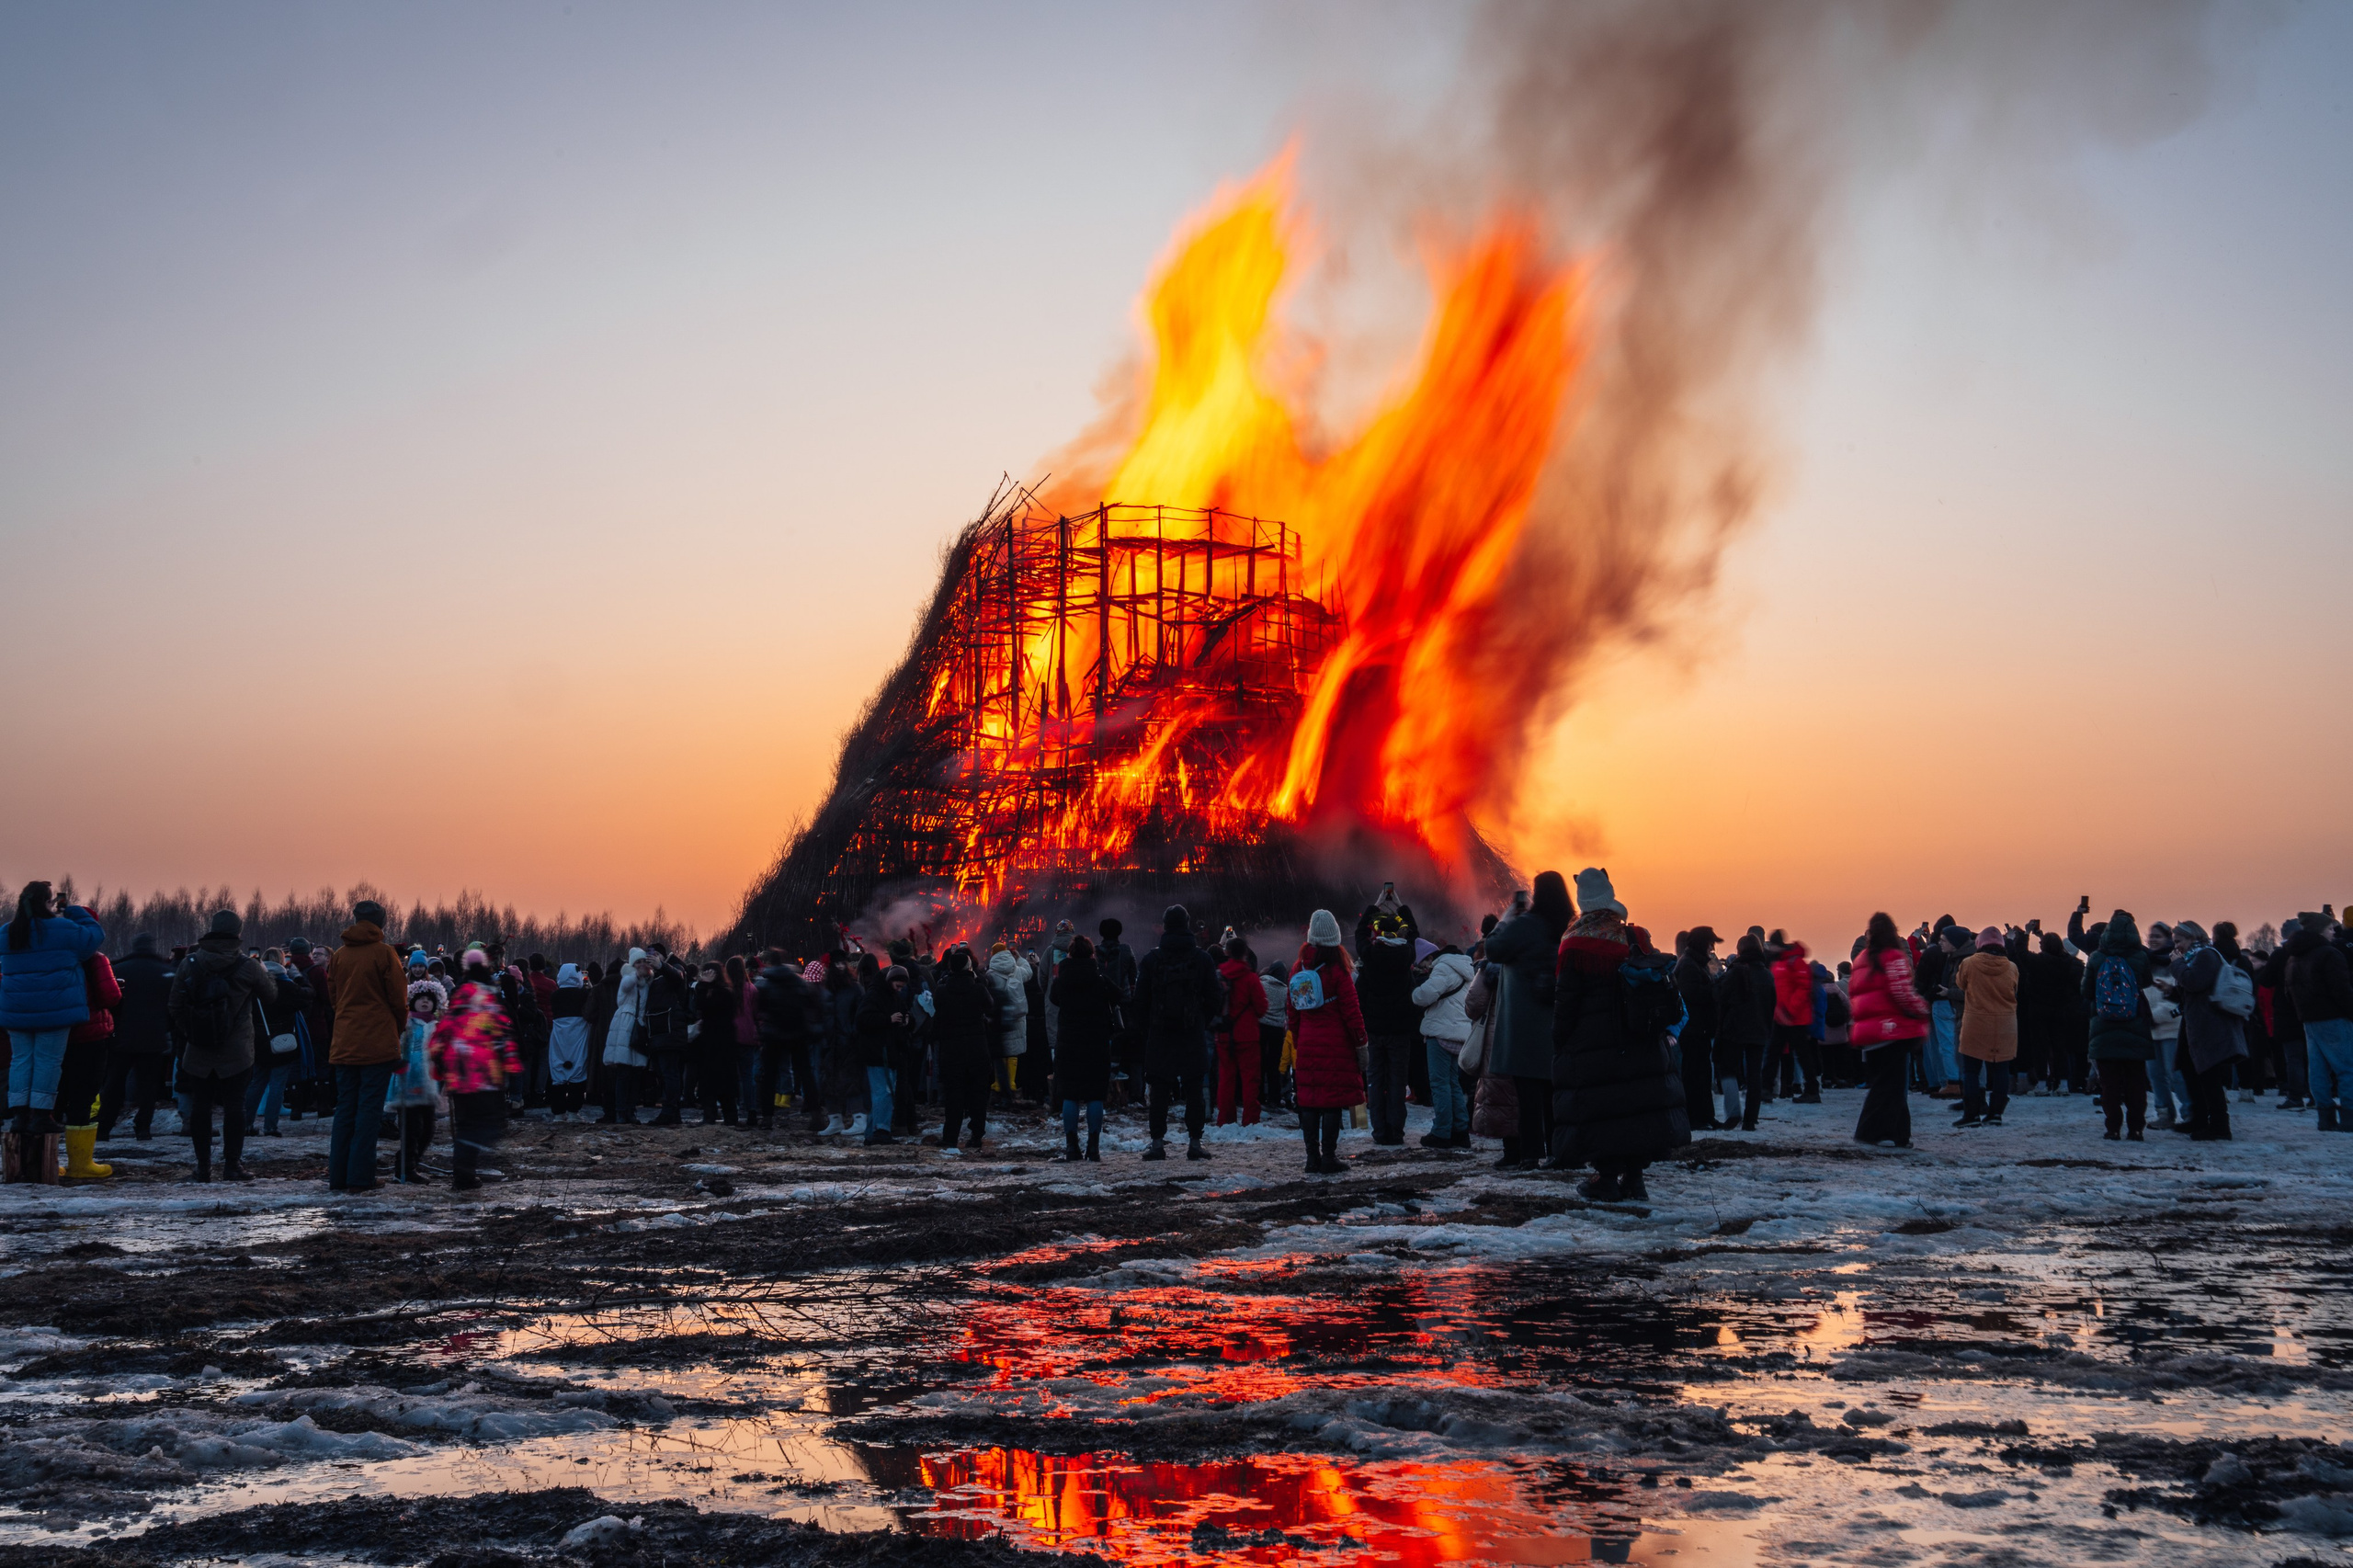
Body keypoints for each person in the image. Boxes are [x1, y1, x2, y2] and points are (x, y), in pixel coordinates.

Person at [1549, 869, 1689, 1199]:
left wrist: (1560, 1038)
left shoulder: (1575, 943)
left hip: (1593, 1044)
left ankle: (1607, 1177)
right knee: (1636, 1108)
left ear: (1582, 900)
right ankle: (1635, 1179)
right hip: (1640, 1039)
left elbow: (1566, 999)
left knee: (1604, 1110)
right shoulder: (1635, 936)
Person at [166, 909, 276, 1183]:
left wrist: (193, 1032)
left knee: (201, 1106)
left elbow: (174, 1005)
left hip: (198, 1049)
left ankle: (203, 1167)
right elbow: (271, 996)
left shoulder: (190, 963)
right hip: (237, 1050)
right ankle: (232, 1166)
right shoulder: (248, 966)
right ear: (238, 933)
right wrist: (266, 972)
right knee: (235, 1106)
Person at [2, 881, 108, 1135]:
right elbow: (95, 936)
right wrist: (70, 909)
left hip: (17, 1009)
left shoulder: (8, 932)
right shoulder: (63, 928)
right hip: (55, 1008)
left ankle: (19, 1115)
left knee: (20, 1060)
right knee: (48, 1061)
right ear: (48, 902)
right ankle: (41, 1114)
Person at [1483, 872, 1574, 1167]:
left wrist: (1506, 919)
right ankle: (1560, 1151)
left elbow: (1493, 949)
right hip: (1559, 1021)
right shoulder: (1569, 927)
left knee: (1528, 1095)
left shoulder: (1525, 926)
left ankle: (1531, 1154)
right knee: (1555, 1093)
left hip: (1523, 1025)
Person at [323, 900, 407, 1191]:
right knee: (369, 1111)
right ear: (381, 921)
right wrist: (395, 1029)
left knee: (345, 1109)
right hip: (377, 1045)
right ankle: (360, 1177)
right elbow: (398, 1000)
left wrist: (348, 1020)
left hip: (344, 1043)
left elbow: (334, 997)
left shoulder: (340, 955)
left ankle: (338, 1176)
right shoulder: (385, 954)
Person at [1130, 905, 1222, 1161]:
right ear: (1187, 924)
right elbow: (1214, 997)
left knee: (1159, 1090)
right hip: (1192, 1032)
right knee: (1194, 1089)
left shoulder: (1152, 959)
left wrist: (1149, 1026)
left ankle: (1157, 1144)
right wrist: (1200, 1020)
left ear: (1165, 926)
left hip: (1160, 1033)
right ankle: (1195, 1143)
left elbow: (1140, 1001)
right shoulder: (1202, 958)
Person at [430, 951, 521, 1191]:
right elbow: (502, 1037)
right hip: (485, 1076)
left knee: (465, 1125)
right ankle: (473, 1162)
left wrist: (440, 1061)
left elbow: (440, 1036)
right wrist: (512, 1066)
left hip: (459, 1077)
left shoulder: (457, 1003)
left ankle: (464, 1174)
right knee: (487, 1124)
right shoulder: (489, 1002)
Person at [1289, 910, 1368, 1175]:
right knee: (1332, 1102)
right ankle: (1329, 1157)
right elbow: (1352, 1012)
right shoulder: (1338, 971)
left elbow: (1292, 1011)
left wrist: (1299, 1039)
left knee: (1309, 1101)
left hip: (1307, 1044)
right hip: (1336, 1046)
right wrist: (1361, 1043)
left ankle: (1312, 1158)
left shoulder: (1298, 968)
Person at [1848, 913, 1928, 1148]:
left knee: (1888, 1086)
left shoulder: (1862, 958)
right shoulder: (1893, 956)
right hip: (1892, 1031)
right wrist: (1922, 1008)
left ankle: (1900, 1135)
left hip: (1869, 1033)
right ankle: (1870, 1133)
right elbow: (1902, 992)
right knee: (1890, 1087)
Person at [2169, 920, 2247, 1141]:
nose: (2176, 947)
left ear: (2192, 937)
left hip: (2208, 1024)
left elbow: (2194, 982)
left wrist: (2177, 965)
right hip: (2196, 1022)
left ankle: (2220, 1125)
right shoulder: (2195, 957)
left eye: (2179, 941)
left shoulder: (2205, 955)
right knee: (2189, 1069)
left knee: (2208, 1074)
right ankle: (2200, 1118)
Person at [2084, 911, 2157, 1142]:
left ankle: (2113, 1128)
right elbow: (2146, 982)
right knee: (2136, 1083)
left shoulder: (2097, 957)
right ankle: (2136, 1128)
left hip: (2103, 1026)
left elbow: (2086, 991)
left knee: (2109, 1084)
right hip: (2135, 1026)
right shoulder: (2140, 957)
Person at [1354, 903, 1422, 1146]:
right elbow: (1415, 936)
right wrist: (1404, 910)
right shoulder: (1406, 955)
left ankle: (1379, 1130)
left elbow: (1359, 936)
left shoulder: (1370, 956)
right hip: (1400, 1031)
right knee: (1397, 1080)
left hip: (1374, 1030)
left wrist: (1371, 910)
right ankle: (1396, 1131)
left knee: (1375, 1079)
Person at [55, 947, 124, 1179]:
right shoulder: (94, 959)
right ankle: (80, 1163)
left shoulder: (46, 956)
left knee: (51, 1097)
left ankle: (47, 1160)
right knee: (83, 1098)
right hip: (90, 1034)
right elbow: (110, 997)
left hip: (52, 1033)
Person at [98, 933, 174, 1142]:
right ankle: (143, 1129)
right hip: (154, 1038)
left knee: (114, 1084)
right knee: (148, 1086)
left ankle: (104, 1128)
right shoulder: (165, 972)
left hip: (122, 1038)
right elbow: (173, 1005)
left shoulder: (119, 969)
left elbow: (109, 1002)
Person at [2283, 912, 2353, 1131]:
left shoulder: (2294, 956)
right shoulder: (2329, 954)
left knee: (2318, 1070)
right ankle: (2350, 1115)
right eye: (2330, 928)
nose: (2334, 932)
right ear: (2320, 930)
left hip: (2309, 1019)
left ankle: (2325, 1116)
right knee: (2347, 1068)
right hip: (2334, 1017)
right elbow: (2341, 990)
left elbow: (2289, 991)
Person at [1049, 935, 1116, 1161]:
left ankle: (1071, 1147)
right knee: (1095, 1095)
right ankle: (1093, 1148)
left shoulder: (1061, 981)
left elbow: (1054, 999)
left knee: (1070, 1095)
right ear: (1091, 954)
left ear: (1069, 954)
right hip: (1096, 1044)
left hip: (1068, 1043)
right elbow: (1121, 996)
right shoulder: (1100, 980)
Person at [929, 947, 999, 1152]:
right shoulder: (978, 989)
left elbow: (937, 1011)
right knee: (978, 1094)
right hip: (977, 1049)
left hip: (952, 1050)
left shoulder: (942, 990)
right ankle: (976, 1136)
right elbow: (990, 1005)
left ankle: (950, 1137)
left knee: (954, 1095)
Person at [1412, 941, 1478, 1147]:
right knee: (1453, 1083)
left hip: (1440, 1032)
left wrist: (1415, 991)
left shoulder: (1443, 967)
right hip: (1460, 1033)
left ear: (1435, 957)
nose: (1427, 966)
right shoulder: (1467, 970)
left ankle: (1441, 1132)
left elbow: (1423, 996)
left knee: (1439, 1084)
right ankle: (1460, 1131)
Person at [1952, 927, 2018, 1128]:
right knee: (2001, 1069)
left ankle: (1971, 1114)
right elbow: (2015, 989)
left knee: (1971, 1070)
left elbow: (1960, 984)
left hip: (1976, 1022)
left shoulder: (1969, 963)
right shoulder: (2012, 967)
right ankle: (1996, 1113)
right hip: (2005, 1024)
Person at [244, 949, 313, 1138]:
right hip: (284, 1040)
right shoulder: (287, 985)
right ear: (283, 963)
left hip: (259, 1040)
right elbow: (307, 996)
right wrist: (298, 977)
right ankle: (270, 1126)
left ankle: (246, 1123)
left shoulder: (255, 985)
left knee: (257, 1083)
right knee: (277, 1085)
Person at [750, 949, 821, 1132]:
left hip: (773, 1035)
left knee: (769, 1077)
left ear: (770, 963)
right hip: (797, 1033)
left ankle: (767, 1118)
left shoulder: (765, 984)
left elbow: (760, 1010)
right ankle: (816, 1114)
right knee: (806, 1074)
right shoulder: (798, 982)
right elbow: (809, 1006)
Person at [1713, 935, 1776, 1131]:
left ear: (1740, 950)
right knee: (1755, 1074)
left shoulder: (1735, 972)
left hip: (1735, 1029)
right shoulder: (1767, 975)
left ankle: (1733, 1113)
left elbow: (1721, 997)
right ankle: (1750, 1119)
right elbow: (1771, 1004)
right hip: (1759, 1029)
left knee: (1728, 1069)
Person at [1214, 937, 1270, 1127]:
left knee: (1226, 1079)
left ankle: (1225, 1119)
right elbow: (1262, 1008)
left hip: (1223, 1033)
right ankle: (1250, 1119)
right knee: (1250, 1080)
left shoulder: (1220, 975)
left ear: (1227, 952)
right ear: (1245, 953)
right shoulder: (1251, 978)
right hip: (1247, 1035)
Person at [856, 960, 912, 1146]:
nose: (899, 989)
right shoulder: (874, 995)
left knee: (884, 1092)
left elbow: (903, 1012)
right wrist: (887, 1019)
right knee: (884, 1093)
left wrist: (906, 1020)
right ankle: (881, 1131)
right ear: (890, 981)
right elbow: (862, 1020)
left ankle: (873, 1132)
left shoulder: (893, 996)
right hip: (878, 1053)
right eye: (898, 986)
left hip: (889, 1052)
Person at [1672, 928, 1722, 1131]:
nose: (1712, 948)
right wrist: (1716, 989)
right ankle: (1695, 1117)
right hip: (1693, 1030)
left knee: (1703, 1073)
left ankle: (1706, 1115)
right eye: (1710, 943)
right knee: (1694, 1075)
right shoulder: (1689, 965)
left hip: (1699, 1029)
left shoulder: (1694, 963)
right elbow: (1691, 994)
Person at [392, 988, 443, 1183]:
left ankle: (411, 1162)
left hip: (429, 1084)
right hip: (408, 1082)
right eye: (420, 998)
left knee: (428, 1129)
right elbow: (398, 1045)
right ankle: (405, 1168)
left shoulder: (437, 1026)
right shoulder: (407, 1024)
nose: (424, 1002)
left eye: (428, 999)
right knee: (411, 1129)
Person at [642, 952, 692, 1126]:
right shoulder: (659, 978)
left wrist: (662, 966)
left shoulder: (675, 970)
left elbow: (677, 976)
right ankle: (673, 1113)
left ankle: (669, 1112)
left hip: (668, 1033)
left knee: (669, 1074)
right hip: (662, 1033)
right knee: (666, 1075)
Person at [1769, 935, 1820, 1103]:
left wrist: (1790, 1010)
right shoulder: (1781, 963)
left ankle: (1812, 1090)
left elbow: (1803, 988)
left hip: (1795, 1018)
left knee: (1801, 1055)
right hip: (1782, 1017)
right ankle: (1765, 1088)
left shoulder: (1795, 962)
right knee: (1775, 1053)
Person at [602, 948, 649, 1126]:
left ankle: (630, 1110)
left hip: (639, 1026)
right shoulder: (628, 978)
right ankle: (620, 1111)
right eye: (638, 962)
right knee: (624, 1072)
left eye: (643, 961)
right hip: (624, 1026)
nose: (641, 965)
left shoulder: (646, 982)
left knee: (636, 1074)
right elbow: (626, 985)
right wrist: (637, 974)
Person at [693, 960, 742, 1126]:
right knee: (717, 1083)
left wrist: (703, 986)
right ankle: (720, 1116)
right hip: (718, 1043)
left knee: (717, 1083)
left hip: (717, 1043)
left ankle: (721, 1116)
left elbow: (705, 1007)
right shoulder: (726, 991)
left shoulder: (723, 993)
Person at [545, 964, 593, 1119]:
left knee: (558, 1071)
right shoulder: (583, 994)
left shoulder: (555, 995)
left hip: (559, 1036)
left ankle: (558, 1112)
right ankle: (573, 1111)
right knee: (578, 1069)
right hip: (578, 1034)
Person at [985, 944, 1030, 1105]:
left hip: (1000, 1017)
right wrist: (1020, 958)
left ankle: (998, 1084)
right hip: (1017, 1016)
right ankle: (1011, 1083)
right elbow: (1029, 973)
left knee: (1000, 1053)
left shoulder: (990, 973)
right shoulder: (1016, 969)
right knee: (1014, 1052)